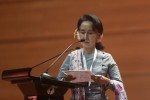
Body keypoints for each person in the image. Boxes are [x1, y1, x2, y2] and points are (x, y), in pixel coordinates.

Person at [57, 14, 127, 100]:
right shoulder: (71, 57)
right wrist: (65, 80)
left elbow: (120, 85)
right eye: (82, 32)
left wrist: (107, 82)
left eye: (90, 33)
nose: (85, 37)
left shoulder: (106, 58)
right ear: (77, 33)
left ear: (98, 36)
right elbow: (57, 87)